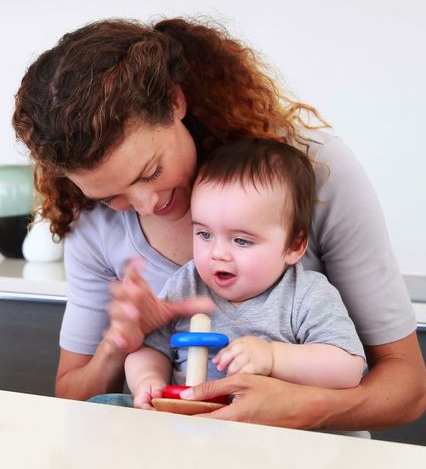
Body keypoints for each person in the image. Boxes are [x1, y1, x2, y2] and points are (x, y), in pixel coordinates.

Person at [11, 17, 426, 431]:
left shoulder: (308, 171)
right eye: (109, 195)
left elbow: (408, 387)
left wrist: (297, 405)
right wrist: (115, 347)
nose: (145, 205)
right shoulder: (92, 223)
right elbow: (72, 399)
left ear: (176, 103)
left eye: (151, 171)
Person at [125, 139, 365, 414]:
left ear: (294, 246)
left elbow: (348, 367)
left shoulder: (306, 295)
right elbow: (150, 350)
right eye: (204, 234)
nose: (217, 253)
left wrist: (273, 357)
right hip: (196, 434)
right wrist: (147, 379)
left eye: (241, 240)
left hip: (277, 439)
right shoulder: (186, 285)